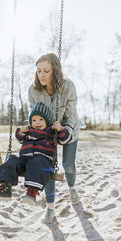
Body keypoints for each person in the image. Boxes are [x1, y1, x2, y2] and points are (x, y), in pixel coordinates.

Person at [28, 53, 80, 223]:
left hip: (68, 130)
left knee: (68, 165)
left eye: (46, 71)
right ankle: (50, 208)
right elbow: (34, 116)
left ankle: (71, 188)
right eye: (38, 71)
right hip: (48, 133)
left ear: (55, 71)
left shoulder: (68, 86)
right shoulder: (33, 91)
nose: (41, 75)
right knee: (48, 168)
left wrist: (64, 132)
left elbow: (71, 116)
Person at [0, 102, 72, 205]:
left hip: (42, 160)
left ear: (48, 121)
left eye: (41, 119)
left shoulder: (52, 132)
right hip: (24, 159)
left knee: (37, 163)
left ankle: (32, 192)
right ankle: (5, 187)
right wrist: (21, 131)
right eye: (34, 120)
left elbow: (65, 139)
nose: (37, 122)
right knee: (12, 159)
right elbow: (19, 138)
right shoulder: (28, 131)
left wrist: (60, 129)